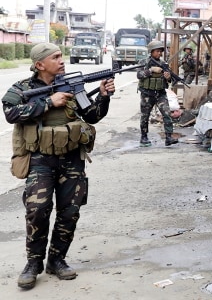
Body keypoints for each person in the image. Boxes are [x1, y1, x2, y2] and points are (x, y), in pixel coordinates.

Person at [2, 43, 116, 290]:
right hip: (40, 160)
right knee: (37, 210)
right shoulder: (22, 88)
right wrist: (48, 103)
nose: (61, 60)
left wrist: (104, 96)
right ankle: (34, 263)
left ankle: (56, 259)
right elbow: (10, 113)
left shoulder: (72, 85)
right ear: (40, 64)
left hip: (72, 159)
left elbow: (93, 115)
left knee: (69, 212)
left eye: (61, 56)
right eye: (55, 57)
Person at [137, 40, 179, 147]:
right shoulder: (144, 62)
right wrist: (151, 70)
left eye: (161, 51)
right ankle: (144, 137)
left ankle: (169, 137)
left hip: (160, 94)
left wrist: (168, 77)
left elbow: (168, 80)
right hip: (147, 94)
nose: (159, 53)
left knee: (167, 114)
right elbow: (139, 75)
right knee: (145, 117)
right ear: (151, 51)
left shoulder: (163, 64)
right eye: (157, 51)